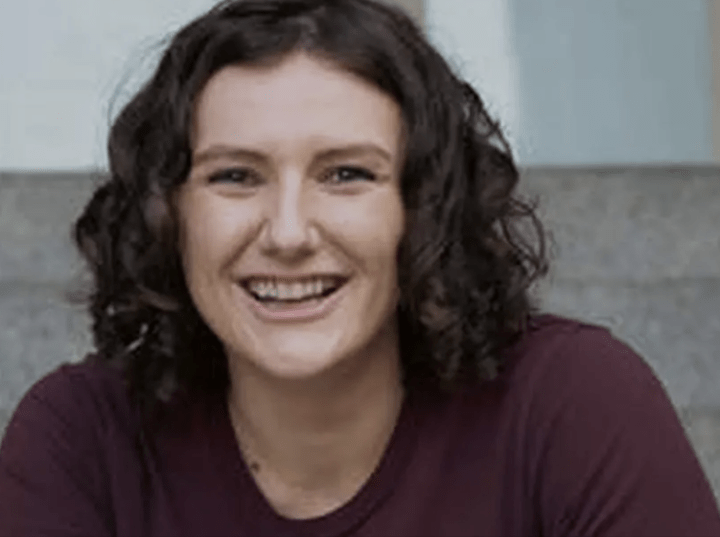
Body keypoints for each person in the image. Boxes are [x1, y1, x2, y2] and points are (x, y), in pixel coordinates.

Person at [1, 0, 719, 535]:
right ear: (170, 211)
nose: (287, 232)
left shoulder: (572, 403)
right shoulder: (82, 439)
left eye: (346, 174)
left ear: (422, 207)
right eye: (235, 176)